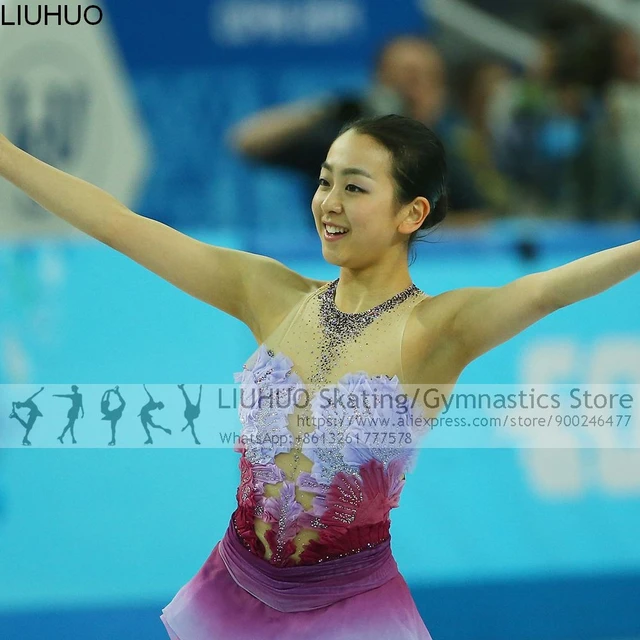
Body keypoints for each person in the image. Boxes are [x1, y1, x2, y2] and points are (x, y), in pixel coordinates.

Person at [0, 115, 638, 639]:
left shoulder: (437, 332)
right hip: (234, 592)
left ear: (411, 213)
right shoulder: (267, 293)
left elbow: (548, 290)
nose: (329, 204)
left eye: (356, 188)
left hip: (352, 615)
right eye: (325, 181)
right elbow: (119, 225)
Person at [228, 35, 486, 224]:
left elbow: (477, 221)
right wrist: (327, 107)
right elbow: (246, 141)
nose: (415, 92)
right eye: (406, 80)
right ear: (381, 84)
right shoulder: (339, 143)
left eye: (427, 80)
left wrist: (397, 232)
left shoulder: (444, 151)